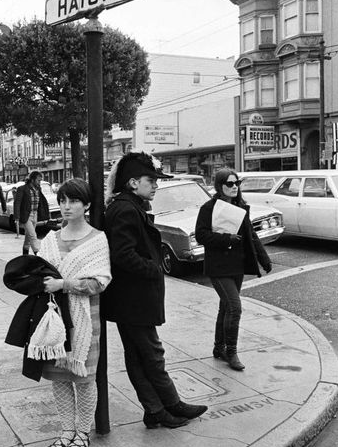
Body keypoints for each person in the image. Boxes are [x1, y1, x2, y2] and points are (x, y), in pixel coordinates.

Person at [102, 151, 208, 429]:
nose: (156, 186)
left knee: (139, 356)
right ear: (133, 182)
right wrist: (153, 268)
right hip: (133, 299)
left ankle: (155, 410)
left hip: (130, 299)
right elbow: (122, 254)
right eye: (152, 180)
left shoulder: (128, 205)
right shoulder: (126, 208)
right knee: (151, 354)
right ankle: (170, 404)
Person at [38, 178, 111, 447]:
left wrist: (63, 284)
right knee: (59, 378)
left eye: (74, 201)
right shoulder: (51, 239)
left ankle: (82, 433)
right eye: (63, 201)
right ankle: (66, 431)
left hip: (85, 319)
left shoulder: (97, 240)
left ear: (87, 205)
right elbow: (38, 275)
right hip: (54, 319)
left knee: (83, 378)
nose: (67, 207)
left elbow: (98, 283)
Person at [195, 168, 272, 371]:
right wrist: (225, 239)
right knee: (235, 307)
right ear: (220, 186)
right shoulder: (208, 208)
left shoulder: (241, 207)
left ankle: (218, 347)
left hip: (236, 265)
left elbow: (251, 236)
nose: (234, 187)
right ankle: (231, 351)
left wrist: (264, 258)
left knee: (226, 308)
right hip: (218, 267)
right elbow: (201, 235)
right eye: (229, 184)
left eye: (236, 183)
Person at [13, 171, 50, 255]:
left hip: (35, 214)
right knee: (33, 236)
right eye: (38, 180)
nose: (39, 182)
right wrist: (17, 217)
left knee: (28, 236)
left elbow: (41, 202)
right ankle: (38, 254)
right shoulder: (22, 189)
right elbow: (17, 203)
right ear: (32, 180)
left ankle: (25, 253)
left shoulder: (38, 189)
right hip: (26, 216)